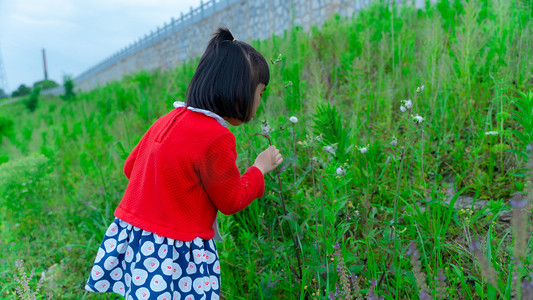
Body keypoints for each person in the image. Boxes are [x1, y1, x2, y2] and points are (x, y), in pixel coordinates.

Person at [85, 27, 283, 300]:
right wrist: (259, 169)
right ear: (238, 90)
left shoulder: (166, 120)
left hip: (141, 247)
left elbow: (130, 168)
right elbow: (231, 199)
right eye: (260, 93)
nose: (260, 101)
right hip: (175, 257)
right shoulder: (216, 137)